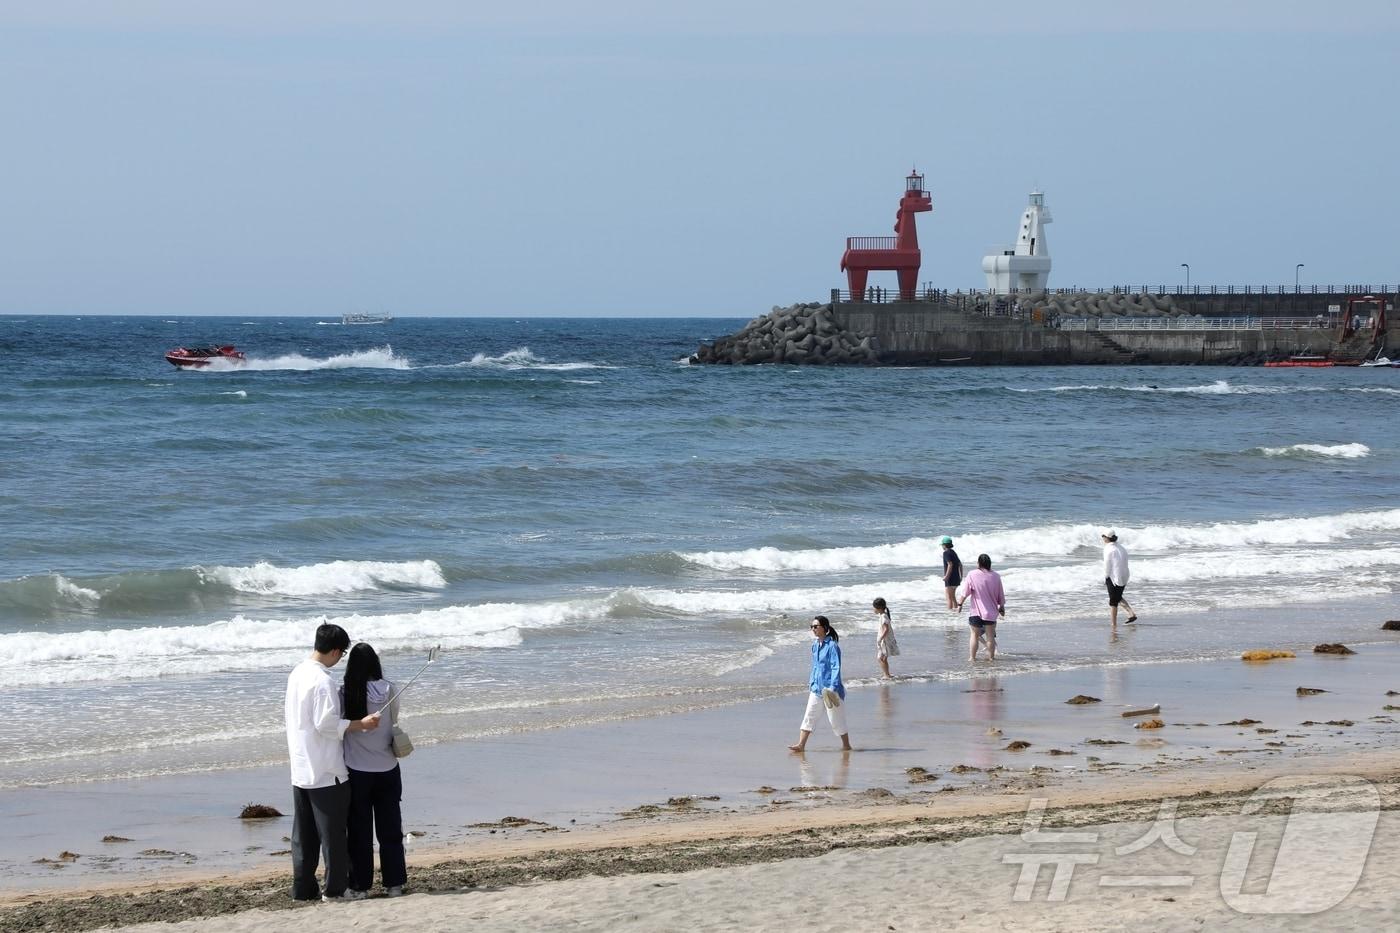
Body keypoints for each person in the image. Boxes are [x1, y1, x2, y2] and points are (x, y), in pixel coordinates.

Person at [285, 623, 381, 902]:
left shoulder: (297, 672)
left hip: (301, 767)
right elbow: (326, 725)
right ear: (336, 651)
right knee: (334, 836)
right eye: (341, 654)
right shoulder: (323, 681)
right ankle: (335, 890)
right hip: (327, 771)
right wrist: (360, 724)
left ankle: (303, 889)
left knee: (303, 836)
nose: (341, 660)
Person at [341, 643, 408, 898]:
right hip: (388, 767)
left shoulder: (345, 691)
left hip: (357, 770)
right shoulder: (390, 688)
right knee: (390, 828)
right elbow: (395, 717)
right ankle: (394, 884)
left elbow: (340, 726)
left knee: (359, 831)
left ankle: (360, 886)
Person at [788, 615, 852, 752]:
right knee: (809, 715)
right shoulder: (815, 645)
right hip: (816, 689)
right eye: (812, 627)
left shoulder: (832, 646)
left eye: (816, 626)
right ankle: (801, 745)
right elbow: (815, 666)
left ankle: (846, 745)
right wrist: (811, 682)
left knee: (836, 720)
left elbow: (836, 667)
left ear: (825, 628)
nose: (813, 629)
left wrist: (833, 687)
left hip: (831, 690)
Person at [957, 554, 1006, 662]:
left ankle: (972, 658)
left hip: (976, 612)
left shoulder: (972, 574)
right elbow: (1000, 594)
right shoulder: (996, 576)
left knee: (974, 635)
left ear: (979, 563)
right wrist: (1002, 606)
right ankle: (991, 658)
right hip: (991, 612)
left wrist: (960, 604)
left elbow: (965, 592)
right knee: (990, 637)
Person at [1101, 530, 1138, 624]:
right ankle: (1131, 613)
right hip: (1124, 575)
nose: (1102, 538)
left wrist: (1105, 577)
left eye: (1103, 536)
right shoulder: (1121, 547)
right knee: (1117, 597)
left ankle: (1113, 624)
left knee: (1113, 601)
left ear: (1107, 538)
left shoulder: (1108, 549)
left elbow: (1107, 565)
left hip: (1114, 577)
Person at [872, 597, 899, 679]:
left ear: (879, 608)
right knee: (883, 658)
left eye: (874, 608)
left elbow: (886, 629)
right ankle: (887, 674)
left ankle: (886, 675)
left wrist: (880, 638)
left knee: (881, 658)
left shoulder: (883, 616)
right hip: (885, 640)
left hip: (885, 640)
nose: (873, 610)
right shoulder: (883, 615)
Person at [940, 536, 963, 610]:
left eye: (942, 545)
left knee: (949, 597)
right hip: (956, 578)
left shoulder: (946, 553)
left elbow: (950, 564)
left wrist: (946, 576)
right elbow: (960, 564)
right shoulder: (953, 552)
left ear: (944, 545)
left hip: (950, 579)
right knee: (953, 597)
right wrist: (961, 577)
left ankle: (949, 616)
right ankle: (955, 614)